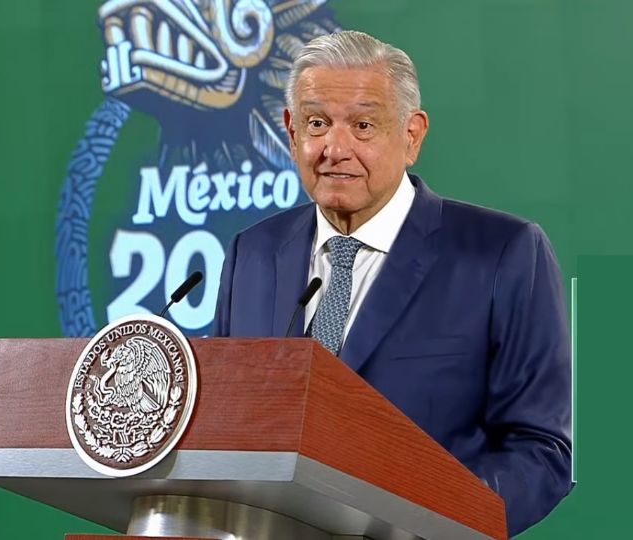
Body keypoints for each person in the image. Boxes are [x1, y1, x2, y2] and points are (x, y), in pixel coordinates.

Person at [213, 30, 572, 535]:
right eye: (317, 124)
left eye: (363, 125)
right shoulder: (251, 254)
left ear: (412, 135)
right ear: (291, 131)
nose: (335, 149)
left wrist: (428, 524)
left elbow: (542, 451)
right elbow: (227, 431)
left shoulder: (502, 254)